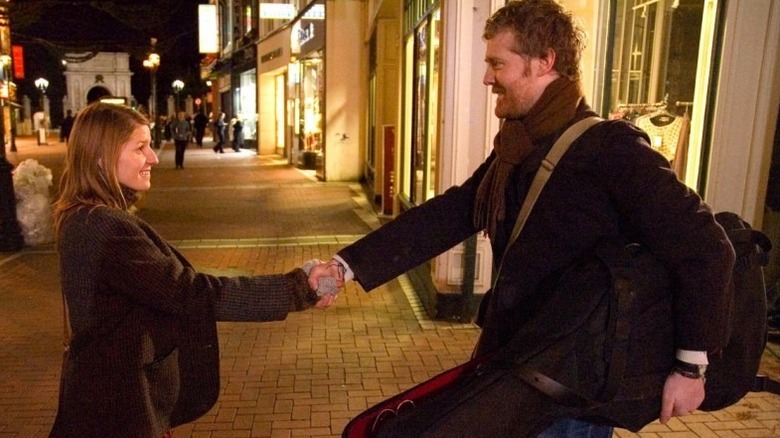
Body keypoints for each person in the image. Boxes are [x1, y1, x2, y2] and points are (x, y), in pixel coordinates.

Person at [314, 1, 735, 436]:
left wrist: (691, 368)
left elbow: (706, 246)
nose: (486, 77)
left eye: (498, 63)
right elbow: (449, 214)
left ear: (544, 61)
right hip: (517, 366)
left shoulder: (610, 148)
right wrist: (345, 267)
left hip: (572, 386)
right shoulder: (517, 147)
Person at [49, 102, 341, 437]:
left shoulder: (86, 218)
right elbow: (192, 293)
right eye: (140, 148)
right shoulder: (102, 225)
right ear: (101, 156)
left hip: (110, 403)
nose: (154, 158)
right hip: (116, 412)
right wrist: (298, 287)